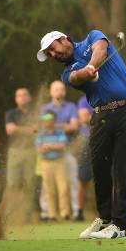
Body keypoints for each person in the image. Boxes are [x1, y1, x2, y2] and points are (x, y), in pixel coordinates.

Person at [37, 30, 126, 240]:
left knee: (123, 169)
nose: (52, 54)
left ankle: (120, 226)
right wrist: (87, 72)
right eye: (48, 53)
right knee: (100, 170)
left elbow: (100, 49)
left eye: (52, 48)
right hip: (101, 116)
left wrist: (92, 65)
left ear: (63, 39)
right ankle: (104, 218)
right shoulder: (66, 73)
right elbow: (77, 77)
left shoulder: (92, 37)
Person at [41, 81, 80, 221]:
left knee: (71, 182)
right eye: (56, 89)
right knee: (47, 185)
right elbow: (41, 128)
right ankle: (46, 214)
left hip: (68, 150)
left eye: (62, 89)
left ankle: (74, 212)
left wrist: (52, 126)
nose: (60, 91)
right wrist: (64, 125)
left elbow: (74, 127)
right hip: (47, 154)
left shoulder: (71, 107)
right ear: (51, 92)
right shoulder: (44, 108)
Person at [4, 88, 37, 223]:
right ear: (16, 99)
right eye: (19, 95)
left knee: (29, 184)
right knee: (12, 184)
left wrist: (18, 129)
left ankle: (27, 215)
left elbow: (36, 130)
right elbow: (10, 130)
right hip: (15, 152)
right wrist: (28, 130)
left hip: (30, 151)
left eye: (25, 95)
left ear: (29, 98)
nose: (22, 97)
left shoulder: (34, 112)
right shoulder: (10, 113)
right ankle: (12, 214)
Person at [36, 111, 70, 221]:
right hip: (46, 163)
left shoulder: (60, 132)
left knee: (63, 188)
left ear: (54, 121)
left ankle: (65, 214)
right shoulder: (41, 134)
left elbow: (63, 146)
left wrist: (48, 146)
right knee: (49, 190)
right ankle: (52, 215)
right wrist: (53, 146)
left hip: (59, 162)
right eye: (46, 120)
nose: (48, 122)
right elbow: (39, 149)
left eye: (50, 120)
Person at [76, 97, 93, 221]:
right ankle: (80, 212)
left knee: (110, 178)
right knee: (83, 180)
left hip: (105, 140)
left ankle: (111, 211)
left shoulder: (108, 97)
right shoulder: (84, 100)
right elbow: (84, 119)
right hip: (87, 143)